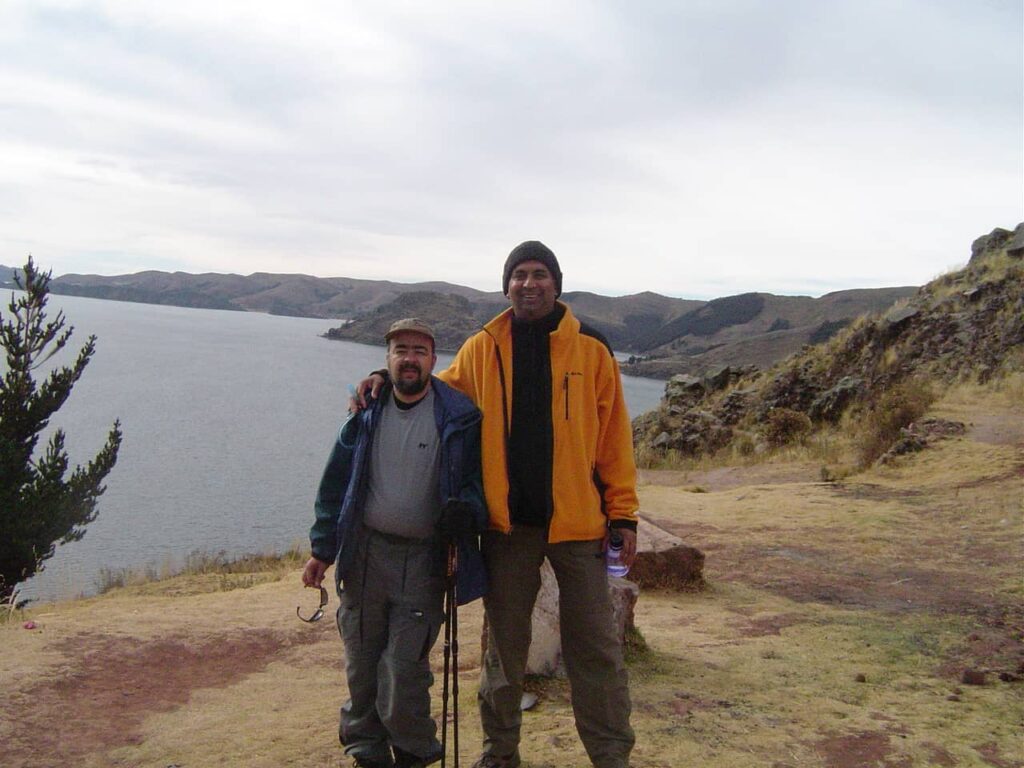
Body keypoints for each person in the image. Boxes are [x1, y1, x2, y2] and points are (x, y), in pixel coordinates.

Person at [356, 242, 639, 768]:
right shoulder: (484, 346)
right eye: (518, 276)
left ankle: (611, 756)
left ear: (557, 283)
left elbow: (614, 441)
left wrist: (622, 513)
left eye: (539, 275)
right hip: (508, 530)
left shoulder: (592, 351)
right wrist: (383, 375)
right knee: (503, 652)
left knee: (596, 650)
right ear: (506, 285)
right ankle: (499, 754)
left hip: (579, 526)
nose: (528, 284)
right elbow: (436, 395)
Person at [303, 318, 487, 768]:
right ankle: (366, 753)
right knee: (362, 664)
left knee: (403, 671)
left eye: (419, 351)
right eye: (400, 350)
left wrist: (468, 510)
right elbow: (336, 484)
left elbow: (479, 486)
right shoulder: (366, 412)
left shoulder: (459, 418)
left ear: (434, 360)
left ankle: (413, 752)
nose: (409, 358)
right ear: (386, 360)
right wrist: (321, 552)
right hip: (363, 557)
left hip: (424, 561)